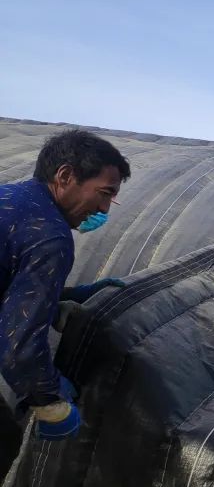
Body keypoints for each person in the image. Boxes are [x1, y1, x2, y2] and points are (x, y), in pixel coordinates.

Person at [0, 130, 130, 466]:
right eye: (104, 194)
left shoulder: (9, 198)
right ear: (65, 176)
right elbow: (19, 350)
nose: (104, 208)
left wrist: (61, 296)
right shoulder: (50, 235)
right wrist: (50, 399)